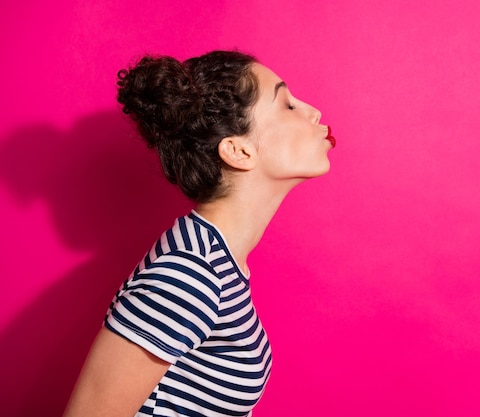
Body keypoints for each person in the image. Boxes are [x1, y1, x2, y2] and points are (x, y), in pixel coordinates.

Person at [63, 50, 335, 417]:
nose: (313, 112)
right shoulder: (190, 272)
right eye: (287, 105)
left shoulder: (215, 260)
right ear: (238, 150)